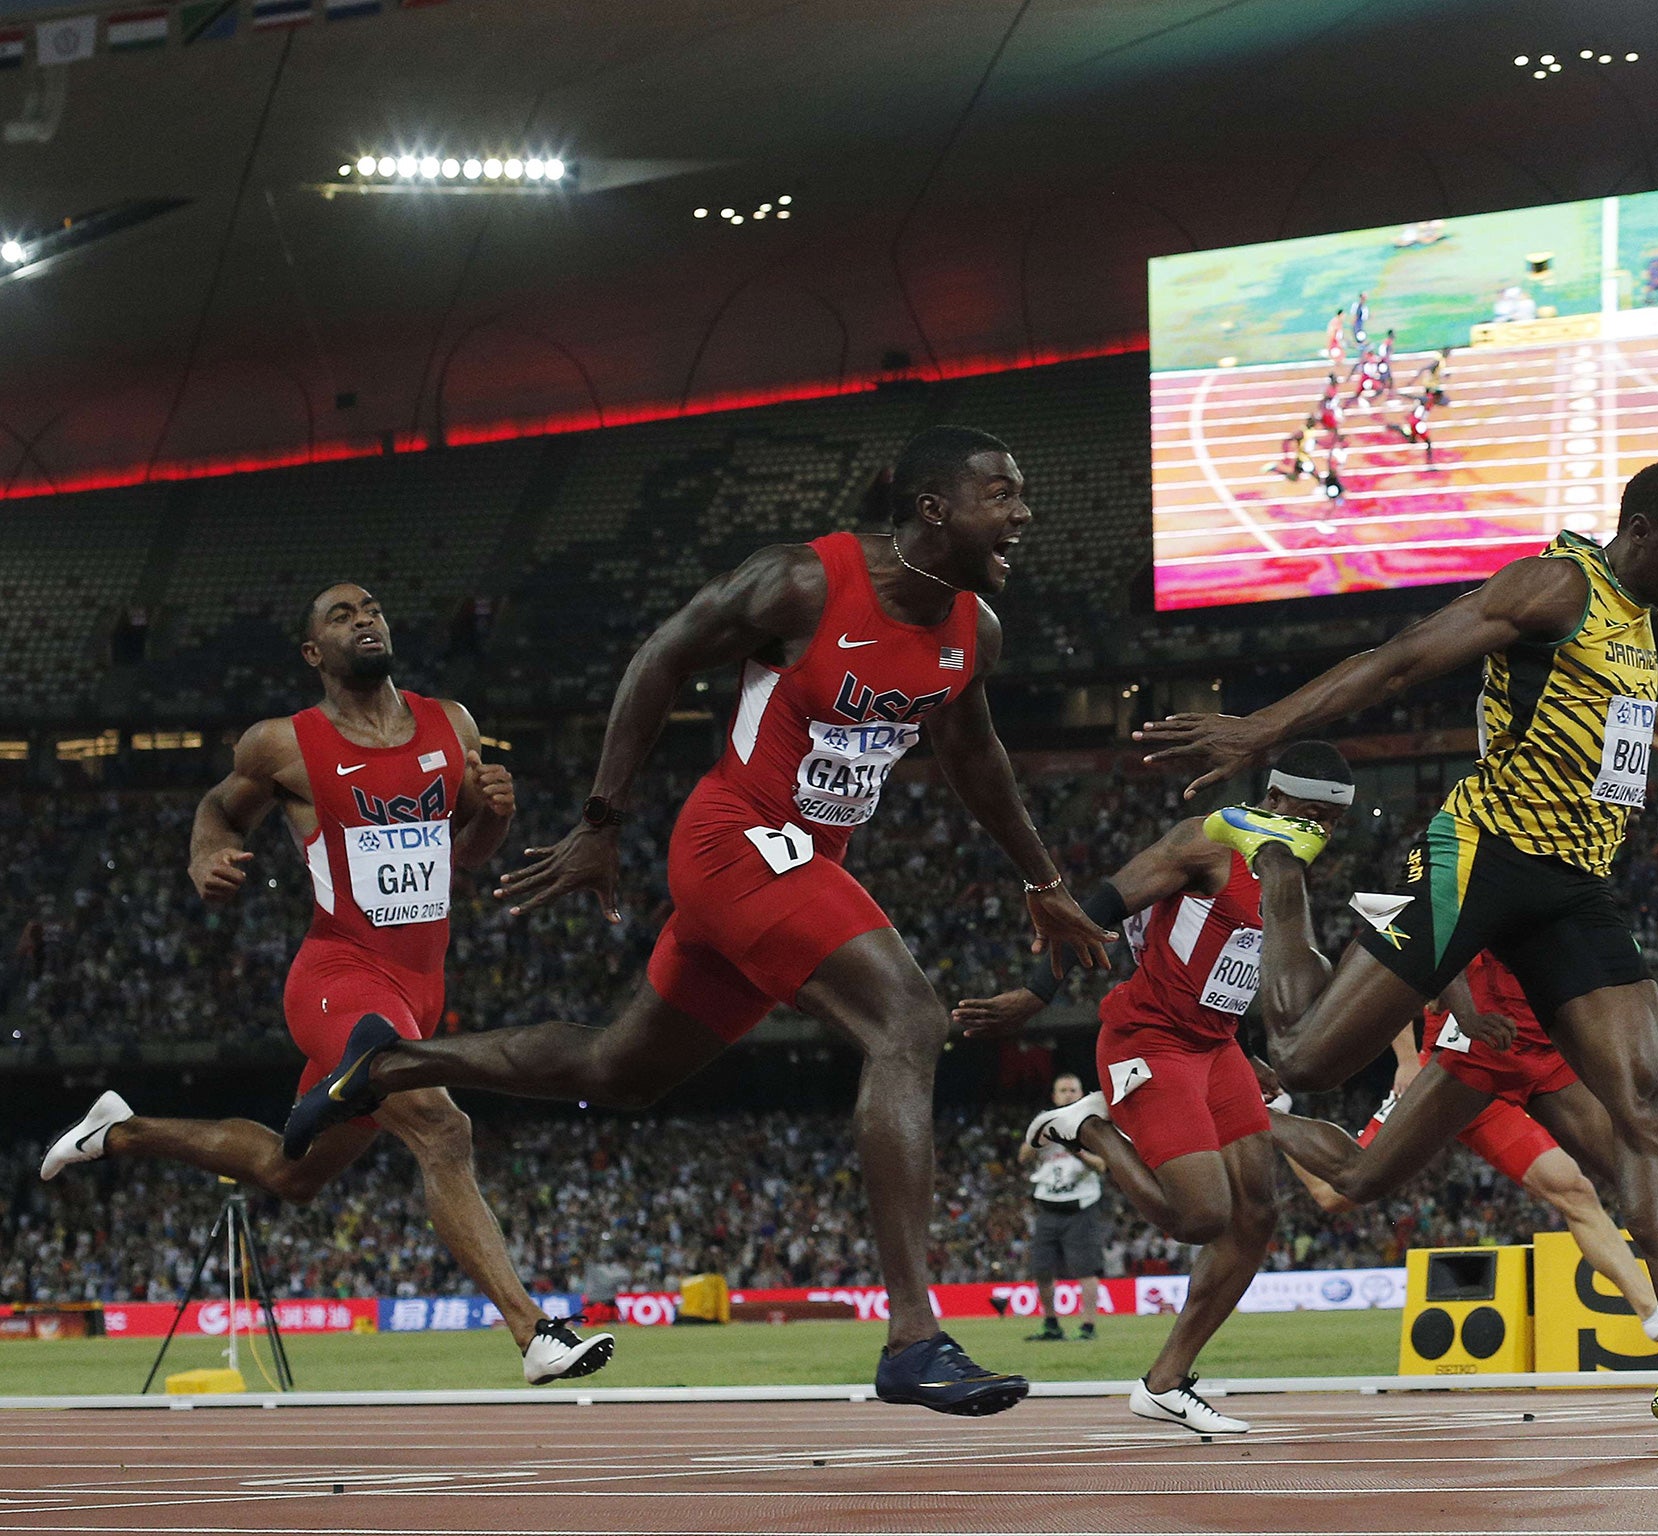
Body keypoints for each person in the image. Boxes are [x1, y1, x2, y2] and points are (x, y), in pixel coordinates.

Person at [283, 426, 1115, 1417]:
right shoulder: (804, 583)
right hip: (735, 839)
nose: (1022, 515)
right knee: (908, 1022)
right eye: (1002, 495)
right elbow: (662, 656)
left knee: (615, 1072)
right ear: (936, 509)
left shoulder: (971, 630)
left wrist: (1042, 878)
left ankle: (386, 1067)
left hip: (797, 867)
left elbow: (975, 757)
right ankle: (911, 1339)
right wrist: (601, 820)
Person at [1135, 458, 1658, 1446]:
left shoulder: (1634, 624)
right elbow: (1403, 659)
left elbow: (1572, 714)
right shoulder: (1555, 583)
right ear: (1637, 530)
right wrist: (1258, 731)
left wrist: (1646, 721)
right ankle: (1280, 870)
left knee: (1653, 1104)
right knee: (1303, 1057)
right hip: (1483, 861)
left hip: (1573, 888)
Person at [40, 584, 613, 1386]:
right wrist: (205, 853)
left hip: (417, 992)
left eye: (371, 608)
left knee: (290, 1173)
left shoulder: (453, 724)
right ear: (314, 653)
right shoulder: (284, 745)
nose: (364, 619)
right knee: (443, 1131)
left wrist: (495, 814)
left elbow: (468, 853)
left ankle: (122, 1131)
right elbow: (219, 808)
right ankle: (533, 1333)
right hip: (338, 979)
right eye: (341, 616)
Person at [954, 742, 1355, 1435]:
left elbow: (1229, 969)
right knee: (1201, 1217)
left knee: (1257, 1215)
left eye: (1332, 823)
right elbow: (1094, 909)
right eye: (1316, 816)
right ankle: (1089, 1125)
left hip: (1216, 1045)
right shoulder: (1207, 841)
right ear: (1284, 801)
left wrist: (1246, 1048)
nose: (1323, 834)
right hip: (1150, 1038)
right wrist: (1034, 993)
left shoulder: (1282, 868)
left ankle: (1165, 1383)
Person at [1269, 949, 1658, 1365]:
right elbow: (1405, 953)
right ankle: (1257, 1111)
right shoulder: (1472, 861)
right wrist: (1409, 1056)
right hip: (1461, 1059)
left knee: (1596, 1182)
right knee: (1341, 1190)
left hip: (1532, 1054)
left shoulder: (1568, 864)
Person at [1017, 1072, 1107, 1343]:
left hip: (1081, 1206)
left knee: (1086, 1269)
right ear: (1054, 1096)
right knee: (1042, 1269)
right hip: (1048, 1207)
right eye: (1063, 1090)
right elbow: (1023, 1157)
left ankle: (1088, 1326)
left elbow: (1103, 1165)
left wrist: (1074, 1149)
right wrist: (1040, 1137)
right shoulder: (1043, 1123)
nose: (1068, 1094)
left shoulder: (1094, 1125)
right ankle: (1051, 1323)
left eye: (1073, 1090)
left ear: (1081, 1094)